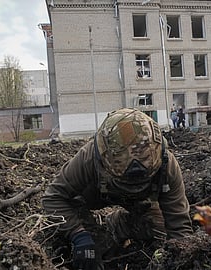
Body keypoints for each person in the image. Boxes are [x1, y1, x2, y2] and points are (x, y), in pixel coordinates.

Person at [41, 108, 193, 270]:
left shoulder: (166, 164)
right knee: (98, 252)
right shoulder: (88, 158)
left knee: (159, 230)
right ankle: (97, 232)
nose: (133, 185)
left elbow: (178, 225)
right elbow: (53, 198)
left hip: (140, 203)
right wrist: (79, 235)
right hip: (89, 199)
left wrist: (181, 259)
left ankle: (119, 224)